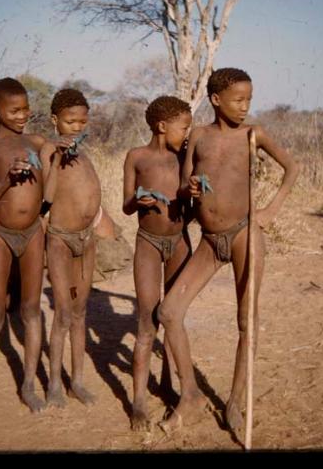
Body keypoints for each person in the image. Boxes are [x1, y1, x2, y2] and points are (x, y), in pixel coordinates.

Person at [157, 68, 299, 436]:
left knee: (245, 320)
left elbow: (292, 168)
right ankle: (190, 396)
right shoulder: (199, 136)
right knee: (169, 312)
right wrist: (188, 192)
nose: (245, 106)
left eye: (249, 99)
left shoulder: (254, 134)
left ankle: (235, 402)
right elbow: (183, 187)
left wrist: (270, 210)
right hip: (209, 239)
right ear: (216, 100)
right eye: (238, 99)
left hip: (243, 236)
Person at [0, 77, 46, 415]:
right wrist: (7, 181)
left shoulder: (37, 142)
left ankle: (29, 385)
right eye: (14, 110)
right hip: (0, 234)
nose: (22, 115)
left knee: (31, 310)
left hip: (33, 234)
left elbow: (53, 184)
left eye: (25, 109)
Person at [122, 95, 193, 431]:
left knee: (173, 317)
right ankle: (138, 403)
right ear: (162, 126)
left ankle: (169, 386)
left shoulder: (186, 157)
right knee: (148, 322)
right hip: (148, 244)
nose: (187, 132)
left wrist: (191, 194)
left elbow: (191, 207)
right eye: (184, 126)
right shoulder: (136, 157)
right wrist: (139, 199)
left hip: (180, 243)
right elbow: (125, 205)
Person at [40, 88, 102, 408]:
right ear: (55, 120)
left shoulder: (84, 155)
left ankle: (76, 381)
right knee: (63, 312)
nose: (76, 127)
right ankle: (53, 383)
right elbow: (47, 196)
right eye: (69, 121)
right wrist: (55, 156)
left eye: (81, 121)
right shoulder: (50, 149)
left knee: (80, 311)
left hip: (86, 240)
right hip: (61, 240)